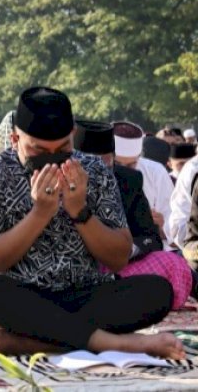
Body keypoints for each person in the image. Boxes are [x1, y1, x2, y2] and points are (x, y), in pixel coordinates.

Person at [0, 86, 181, 359]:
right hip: (21, 300)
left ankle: (26, 343)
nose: (53, 159)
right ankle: (116, 343)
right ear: (15, 139)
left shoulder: (95, 170)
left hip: (84, 296)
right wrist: (39, 215)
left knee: (157, 291)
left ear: (72, 138)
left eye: (63, 149)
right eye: (39, 150)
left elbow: (118, 258)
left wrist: (80, 212)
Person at [74, 120, 191, 309]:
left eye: (105, 163)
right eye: (89, 164)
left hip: (121, 267)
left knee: (173, 264)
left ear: (111, 158)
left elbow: (151, 238)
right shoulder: (55, 181)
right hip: (72, 268)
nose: (99, 171)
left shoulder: (129, 180)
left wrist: (123, 250)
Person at [113, 121, 174, 239]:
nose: (125, 172)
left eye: (131, 165)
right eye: (118, 164)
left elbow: (173, 230)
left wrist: (160, 225)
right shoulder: (96, 171)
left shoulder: (155, 171)